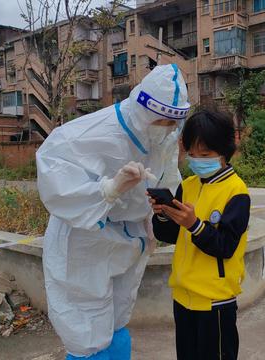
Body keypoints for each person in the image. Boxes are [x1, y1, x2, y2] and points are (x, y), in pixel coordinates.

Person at [36, 64, 190, 360]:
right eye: (163, 121)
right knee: (86, 330)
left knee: (118, 319)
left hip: (130, 240)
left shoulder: (164, 136)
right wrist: (108, 189)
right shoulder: (88, 133)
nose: (169, 129)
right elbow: (54, 179)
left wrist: (159, 211)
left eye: (174, 122)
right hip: (85, 240)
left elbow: (167, 174)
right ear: (144, 109)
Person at [149, 110, 250, 360]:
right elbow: (172, 235)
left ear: (226, 150)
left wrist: (195, 225)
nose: (197, 160)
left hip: (214, 301)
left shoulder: (236, 192)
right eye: (192, 154)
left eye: (205, 155)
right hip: (182, 296)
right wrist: (163, 213)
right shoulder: (189, 185)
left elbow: (225, 246)